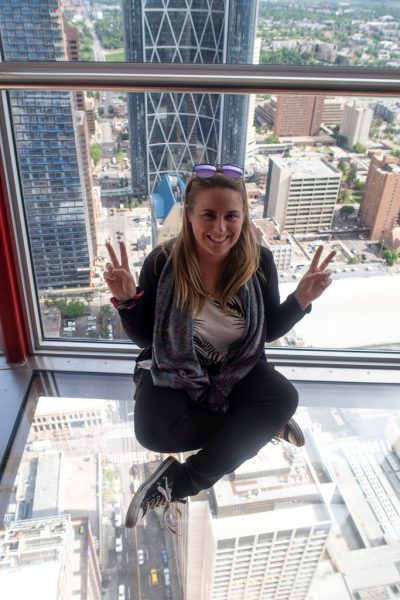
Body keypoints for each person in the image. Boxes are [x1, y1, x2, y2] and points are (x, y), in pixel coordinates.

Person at [104, 163, 335, 533]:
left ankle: (176, 483)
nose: (220, 228)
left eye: (231, 216)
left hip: (239, 366)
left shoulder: (259, 263)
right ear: (190, 216)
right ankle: (258, 423)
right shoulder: (163, 262)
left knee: (282, 397)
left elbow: (267, 332)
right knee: (152, 433)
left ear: (243, 217)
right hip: (176, 365)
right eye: (208, 215)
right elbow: (149, 339)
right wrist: (129, 302)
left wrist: (300, 300)